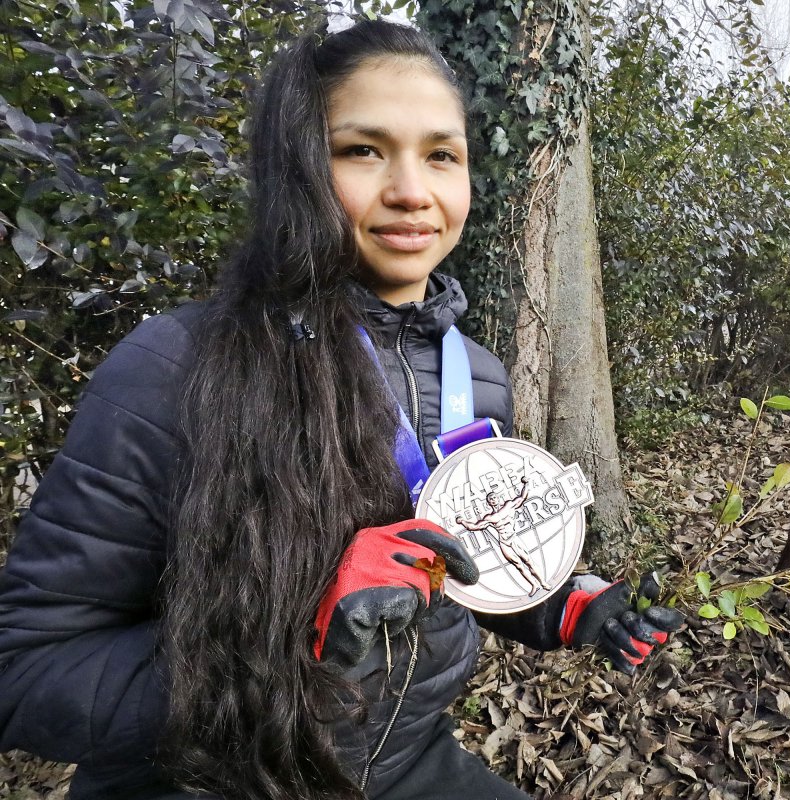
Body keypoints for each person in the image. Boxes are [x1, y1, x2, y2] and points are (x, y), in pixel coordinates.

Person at [0, 19, 683, 800]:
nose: (412, 191)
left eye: (441, 155)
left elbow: (457, 562)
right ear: (299, 168)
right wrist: (294, 649)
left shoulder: (477, 376)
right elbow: (24, 673)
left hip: (409, 766)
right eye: (363, 150)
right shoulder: (173, 370)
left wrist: (570, 608)